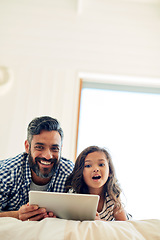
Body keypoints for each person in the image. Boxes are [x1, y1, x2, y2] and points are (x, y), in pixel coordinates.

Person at [0, 116, 74, 221]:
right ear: (27, 146)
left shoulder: (70, 173)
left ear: (61, 149)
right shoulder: (6, 173)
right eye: (39, 147)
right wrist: (17, 215)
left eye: (54, 149)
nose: (48, 156)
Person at [65, 145, 131, 221]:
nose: (96, 169)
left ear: (110, 172)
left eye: (101, 164)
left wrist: (100, 222)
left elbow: (123, 224)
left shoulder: (112, 195)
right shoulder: (74, 195)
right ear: (81, 173)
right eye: (88, 165)